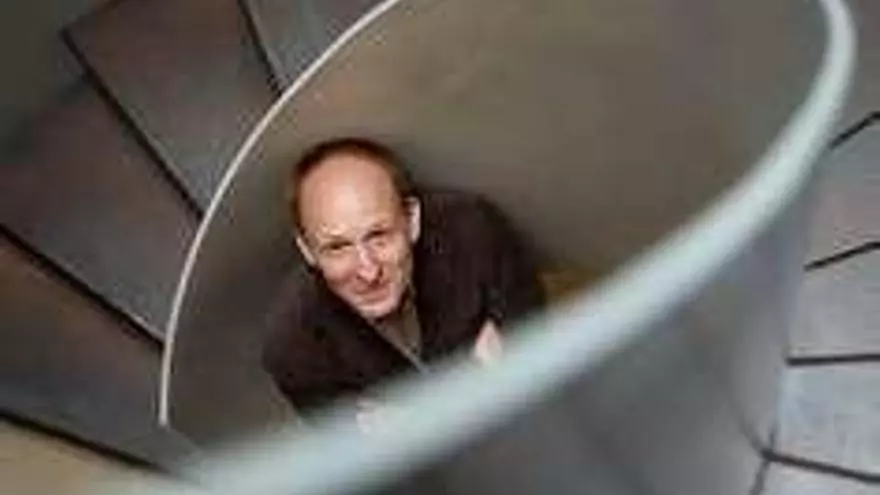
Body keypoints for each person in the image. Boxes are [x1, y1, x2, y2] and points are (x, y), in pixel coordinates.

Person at [262, 137, 545, 421]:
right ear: (307, 251)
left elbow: (537, 343)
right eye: (338, 247)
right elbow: (354, 438)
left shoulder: (472, 232)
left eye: (379, 236)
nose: (368, 271)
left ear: (412, 220)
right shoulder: (292, 344)